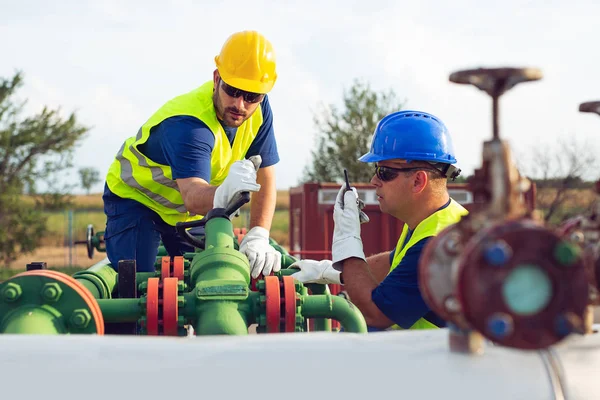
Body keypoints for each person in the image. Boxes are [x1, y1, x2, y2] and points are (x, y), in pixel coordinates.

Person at [102, 30, 282, 279]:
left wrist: (259, 234)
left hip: (189, 213)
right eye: (232, 90)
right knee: (137, 286)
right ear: (217, 78)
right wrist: (224, 192)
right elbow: (194, 196)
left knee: (212, 277)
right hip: (138, 202)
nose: (240, 104)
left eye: (252, 96)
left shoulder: (260, 110)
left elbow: (266, 175)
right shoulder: (190, 124)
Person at [290, 110, 468, 331]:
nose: (374, 180)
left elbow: (374, 314)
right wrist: (329, 271)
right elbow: (394, 263)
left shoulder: (436, 246)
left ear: (418, 181)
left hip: (438, 363)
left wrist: (348, 241)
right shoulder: (440, 221)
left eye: (384, 172)